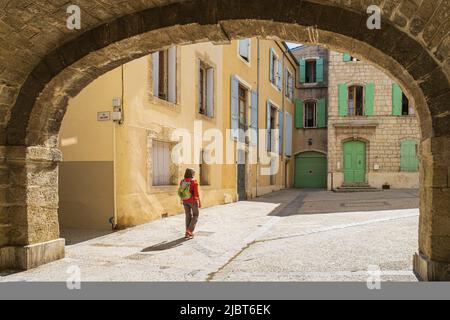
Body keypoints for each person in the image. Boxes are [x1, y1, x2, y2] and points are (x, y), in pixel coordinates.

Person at [178, 168, 202, 239]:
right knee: (196, 215)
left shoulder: (182, 181)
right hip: (193, 201)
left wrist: (181, 199)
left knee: (188, 216)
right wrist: (199, 202)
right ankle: (189, 230)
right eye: (194, 173)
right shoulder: (194, 181)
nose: (194, 174)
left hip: (185, 200)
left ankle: (187, 233)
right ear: (191, 174)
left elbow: (181, 191)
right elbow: (196, 194)